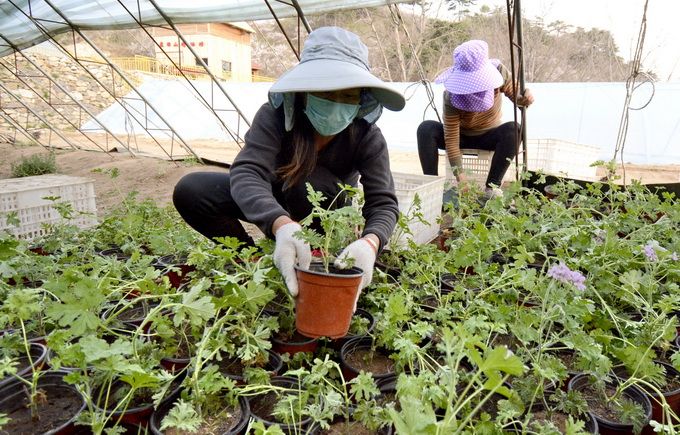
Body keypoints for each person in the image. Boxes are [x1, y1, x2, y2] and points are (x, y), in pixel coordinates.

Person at [173, 26, 405, 300]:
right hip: (276, 200)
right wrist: (280, 223)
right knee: (193, 189)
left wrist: (371, 242)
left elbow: (384, 203)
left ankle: (315, 258)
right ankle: (252, 258)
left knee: (308, 183)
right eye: (327, 92)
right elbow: (248, 171)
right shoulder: (276, 116)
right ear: (306, 89)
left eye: (348, 96)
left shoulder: (367, 136)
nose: (336, 104)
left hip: (323, 212)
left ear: (361, 99)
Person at [417, 39, 534, 199]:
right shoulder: (450, 94)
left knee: (514, 129)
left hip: (489, 135)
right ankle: (431, 189)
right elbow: (451, 139)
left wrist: (525, 97)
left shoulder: (499, 72)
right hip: (461, 136)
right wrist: (461, 177)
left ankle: (491, 188)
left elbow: (517, 96)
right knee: (426, 128)